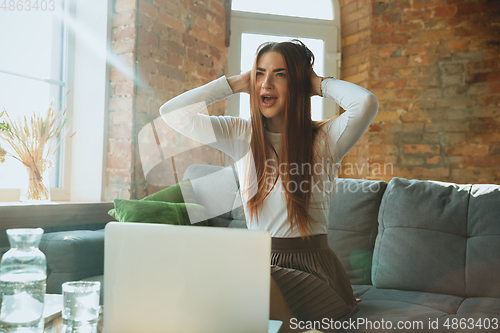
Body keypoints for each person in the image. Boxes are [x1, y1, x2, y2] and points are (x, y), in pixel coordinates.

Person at [160, 39, 378, 332]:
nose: (266, 84)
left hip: (310, 269)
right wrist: (234, 83)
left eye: (281, 74)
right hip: (256, 264)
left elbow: (365, 103)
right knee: (209, 282)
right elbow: (171, 113)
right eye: (260, 73)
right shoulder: (240, 133)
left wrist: (315, 83)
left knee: (233, 280)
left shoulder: (326, 139)